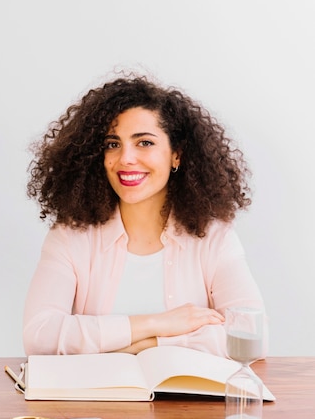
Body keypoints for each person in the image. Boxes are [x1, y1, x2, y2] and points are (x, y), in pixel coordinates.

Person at [23, 71, 266, 358]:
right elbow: (39, 335)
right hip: (96, 400)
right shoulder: (70, 235)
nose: (125, 158)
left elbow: (252, 335)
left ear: (176, 154)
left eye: (144, 142)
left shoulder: (214, 237)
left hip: (186, 402)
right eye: (113, 144)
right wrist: (157, 323)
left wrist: (147, 345)